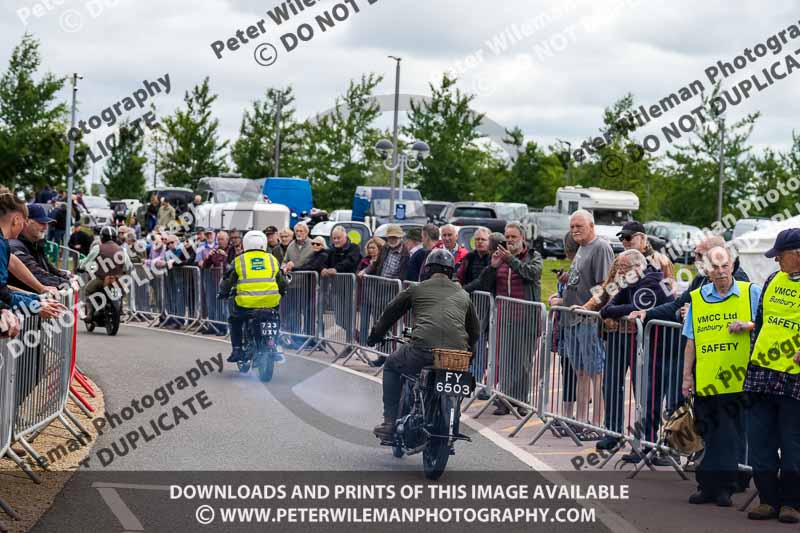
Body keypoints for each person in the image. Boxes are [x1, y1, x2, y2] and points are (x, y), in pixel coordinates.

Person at [366, 249, 480, 439]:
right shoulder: (463, 295)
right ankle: (451, 418)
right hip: (455, 355)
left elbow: (390, 313)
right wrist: (470, 353)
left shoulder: (417, 288)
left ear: (427, 269)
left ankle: (389, 422)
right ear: (451, 271)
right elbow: (474, 331)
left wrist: (375, 336)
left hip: (422, 350)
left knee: (392, 365)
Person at [679, 246, 759, 507]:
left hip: (738, 378)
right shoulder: (698, 298)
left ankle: (725, 487)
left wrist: (747, 325)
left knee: (729, 434)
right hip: (707, 377)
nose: (721, 271)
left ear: (733, 265)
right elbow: (690, 340)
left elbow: (769, 323)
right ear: (707, 270)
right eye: (715, 267)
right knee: (708, 432)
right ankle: (707, 486)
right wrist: (686, 377)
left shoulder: (751, 293)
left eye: (725, 265)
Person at [743, 228, 800, 522]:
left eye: (781, 255)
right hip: (762, 374)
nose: (776, 260)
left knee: (792, 442)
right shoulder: (772, 280)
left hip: (794, 380)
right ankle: (768, 499)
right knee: (760, 439)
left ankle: (792, 503)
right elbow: (763, 320)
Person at [598, 249, 675, 456]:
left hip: (655, 345)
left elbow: (637, 307)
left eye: (623, 268)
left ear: (637, 268)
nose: (619, 272)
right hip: (626, 337)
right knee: (611, 383)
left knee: (644, 393)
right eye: (619, 268)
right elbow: (609, 306)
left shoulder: (653, 281)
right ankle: (613, 433)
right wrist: (615, 311)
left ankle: (645, 442)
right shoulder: (628, 281)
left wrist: (616, 311)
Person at [473, 222, 543, 415]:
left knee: (522, 362)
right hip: (504, 317)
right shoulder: (500, 258)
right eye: (508, 237)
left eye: (513, 237)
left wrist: (510, 259)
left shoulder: (533, 256)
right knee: (504, 360)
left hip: (525, 318)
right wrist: (493, 267)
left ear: (522, 238)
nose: (510, 241)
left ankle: (520, 401)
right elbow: (485, 284)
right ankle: (504, 399)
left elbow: (530, 273)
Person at [561, 210, 614, 425]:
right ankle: (581, 419)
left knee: (595, 372)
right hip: (572, 319)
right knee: (580, 371)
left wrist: (589, 308)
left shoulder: (600, 247)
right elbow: (578, 281)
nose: (574, 230)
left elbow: (606, 285)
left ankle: (597, 421)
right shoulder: (582, 248)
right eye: (572, 227)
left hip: (589, 320)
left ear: (591, 226)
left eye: (579, 226)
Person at [217, 230, 288, 363]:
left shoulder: (239, 260)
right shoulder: (272, 259)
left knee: (234, 319)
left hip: (246, 304)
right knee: (275, 318)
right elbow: (282, 281)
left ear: (245, 244)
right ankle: (275, 344)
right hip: (270, 302)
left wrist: (222, 292)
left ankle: (237, 349)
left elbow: (227, 281)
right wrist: (283, 291)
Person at [8, 204, 71, 292]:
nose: (46, 227)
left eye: (47, 223)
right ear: (26, 222)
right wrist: (67, 283)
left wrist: (67, 277)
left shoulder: (35, 244)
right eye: (41, 223)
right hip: (24, 302)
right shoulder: (15, 246)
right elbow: (37, 274)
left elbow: (48, 268)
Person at [79, 226, 132, 322]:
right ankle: (121, 310)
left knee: (87, 290)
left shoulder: (97, 248)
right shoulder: (122, 250)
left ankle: (90, 314)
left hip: (101, 279)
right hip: (117, 280)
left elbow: (86, 261)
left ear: (102, 237)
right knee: (122, 292)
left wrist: (81, 267)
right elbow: (129, 266)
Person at [618, 221, 675, 285]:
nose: (624, 241)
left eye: (628, 237)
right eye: (622, 238)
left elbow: (669, 290)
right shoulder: (620, 260)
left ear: (642, 238)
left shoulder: (661, 261)